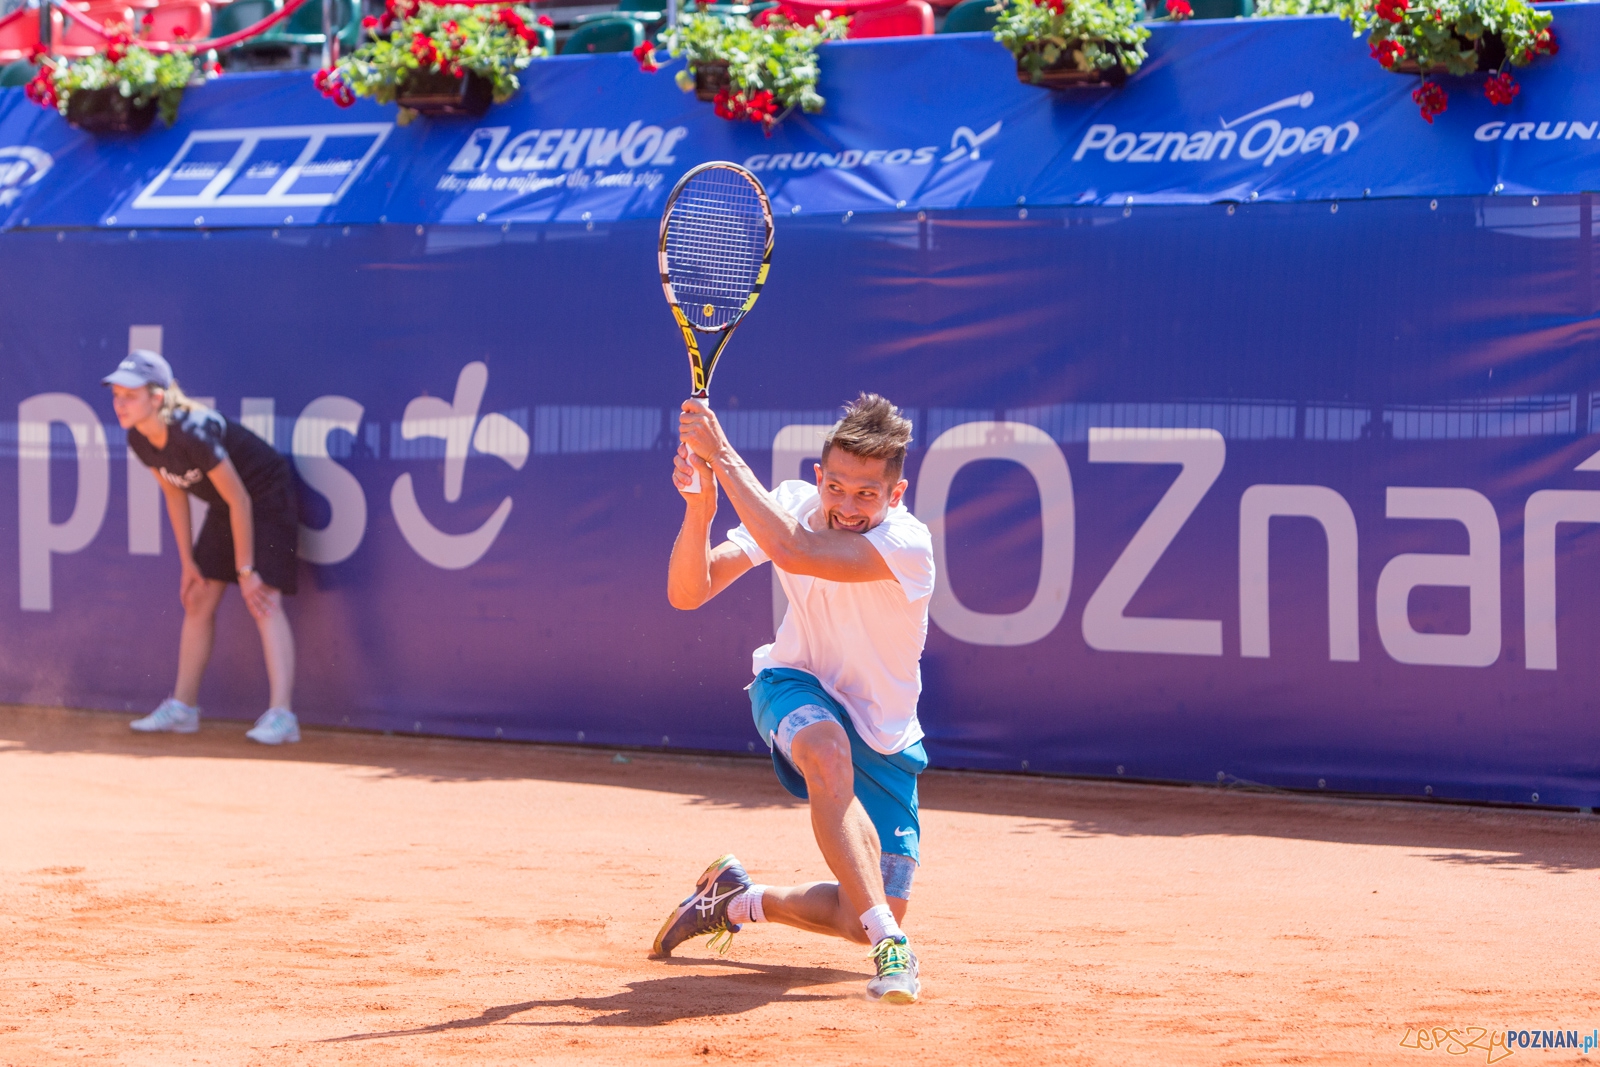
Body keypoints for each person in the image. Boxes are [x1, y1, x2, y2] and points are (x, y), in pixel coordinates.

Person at [655, 393, 934, 1005]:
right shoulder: (793, 506)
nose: (847, 505)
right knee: (828, 752)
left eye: (867, 493)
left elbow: (795, 551)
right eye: (836, 487)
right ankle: (895, 948)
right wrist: (699, 509)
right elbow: (689, 591)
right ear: (819, 477)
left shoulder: (910, 546)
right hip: (793, 687)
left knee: (861, 912)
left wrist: (720, 455)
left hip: (887, 736)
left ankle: (736, 900)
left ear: (897, 494)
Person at [104, 349, 302, 745]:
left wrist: (246, 572)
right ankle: (183, 709)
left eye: (130, 395)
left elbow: (242, 500)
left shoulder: (193, 430)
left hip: (264, 494)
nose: (120, 404)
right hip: (226, 504)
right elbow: (174, 493)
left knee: (262, 598)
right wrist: (188, 563)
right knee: (198, 599)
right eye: (117, 395)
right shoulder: (139, 438)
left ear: (156, 397)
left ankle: (282, 715)